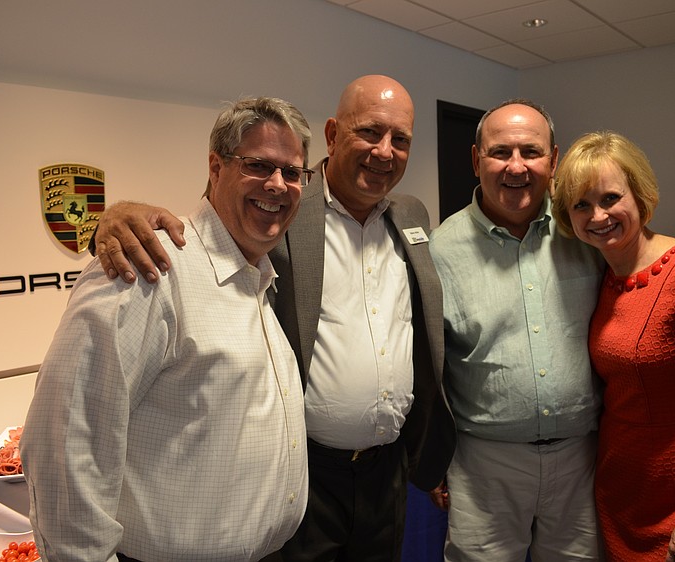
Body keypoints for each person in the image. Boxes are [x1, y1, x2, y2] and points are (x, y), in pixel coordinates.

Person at [88, 75, 455, 562]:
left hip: (386, 475)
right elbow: (210, 218)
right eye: (369, 132)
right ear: (332, 134)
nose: (384, 151)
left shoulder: (411, 213)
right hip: (305, 473)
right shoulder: (286, 204)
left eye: (400, 139)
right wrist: (115, 215)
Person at [427, 100, 675, 562]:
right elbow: (429, 359)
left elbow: (661, 265)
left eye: (531, 151)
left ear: (553, 159)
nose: (516, 166)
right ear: (476, 159)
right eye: (501, 151)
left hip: (584, 461)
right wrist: (431, 452)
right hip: (487, 464)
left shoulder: (582, 236)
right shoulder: (439, 250)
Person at [20, 97, 313, 562]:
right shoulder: (150, 267)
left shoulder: (261, 273)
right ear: (216, 167)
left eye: (293, 172)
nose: (278, 184)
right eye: (258, 165)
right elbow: (66, 440)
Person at [552, 131, 675, 561]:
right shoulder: (599, 271)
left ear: (639, 196)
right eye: (581, 204)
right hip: (621, 489)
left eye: (610, 198)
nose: (598, 215)